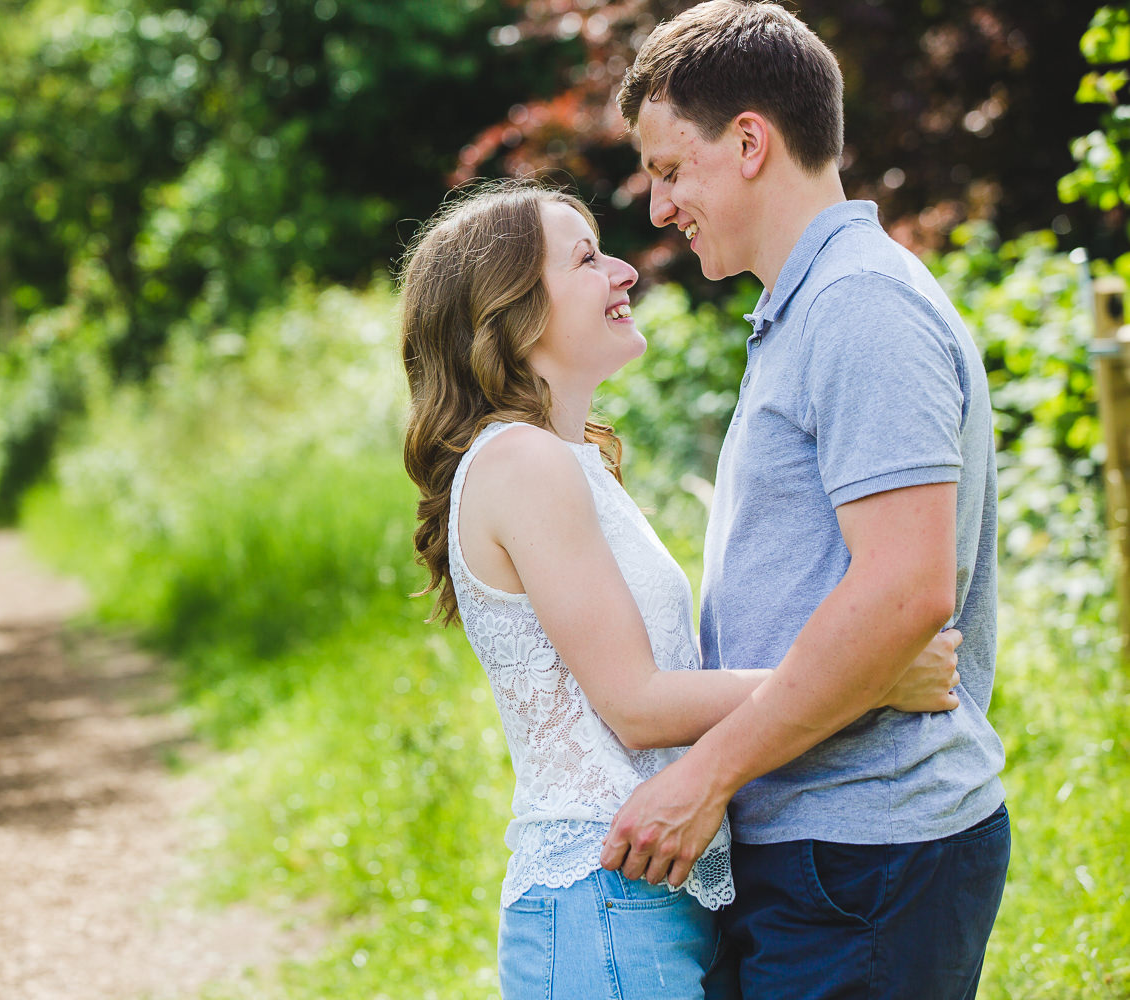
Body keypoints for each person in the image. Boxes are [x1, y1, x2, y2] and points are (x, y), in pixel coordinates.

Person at [399, 179, 962, 999]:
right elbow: (638, 701)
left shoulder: (570, 460)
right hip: (603, 900)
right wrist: (872, 680)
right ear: (508, 311)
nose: (624, 271)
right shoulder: (523, 463)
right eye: (587, 259)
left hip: (650, 894)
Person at [597, 3, 1010, 998]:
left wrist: (707, 772)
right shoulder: (806, 307)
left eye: (668, 170)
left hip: (868, 853)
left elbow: (906, 591)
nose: (657, 208)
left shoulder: (860, 307)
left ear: (749, 142)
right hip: (824, 850)